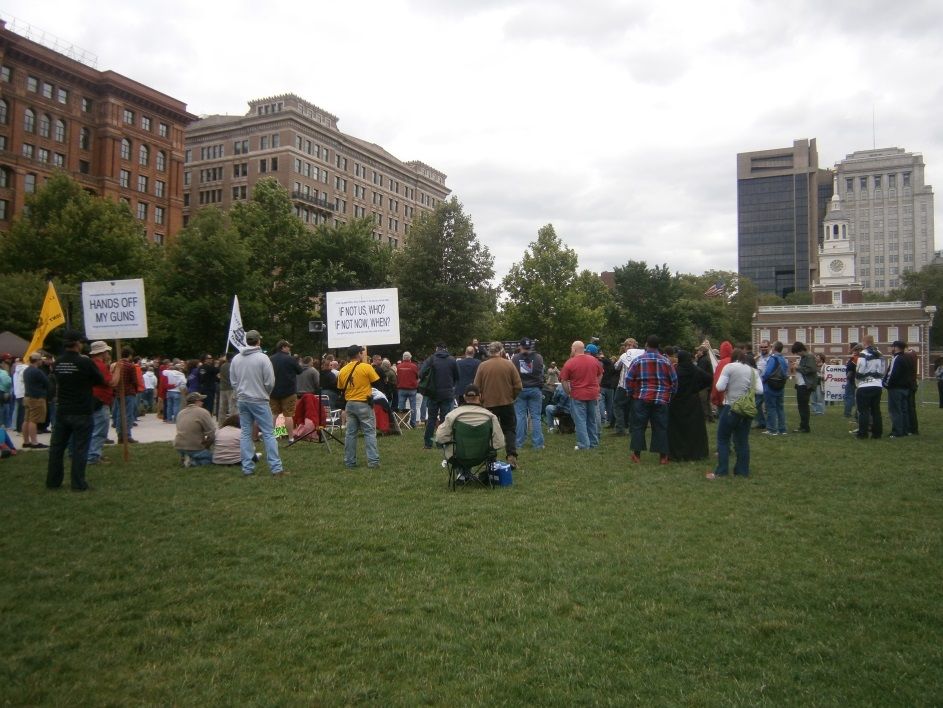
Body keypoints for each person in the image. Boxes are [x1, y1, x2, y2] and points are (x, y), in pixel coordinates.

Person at [46, 331, 105, 491]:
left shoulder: (57, 362)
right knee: (80, 448)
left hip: (63, 409)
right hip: (82, 410)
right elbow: (100, 380)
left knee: (57, 447)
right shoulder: (84, 362)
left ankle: (53, 481)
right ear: (78, 343)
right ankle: (78, 484)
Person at [229, 329, 285, 476]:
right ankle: (276, 468)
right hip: (259, 400)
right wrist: (265, 393)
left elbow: (233, 381)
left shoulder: (236, 359)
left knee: (246, 434)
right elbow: (270, 382)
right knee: (268, 433)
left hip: (243, 400)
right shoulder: (262, 358)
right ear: (258, 341)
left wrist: (241, 392)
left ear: (246, 340)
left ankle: (247, 468)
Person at [706, 349, 764, 479]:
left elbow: (720, 387)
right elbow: (760, 390)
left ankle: (722, 471)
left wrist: (730, 386)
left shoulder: (729, 367)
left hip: (731, 407)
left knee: (723, 439)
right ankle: (742, 471)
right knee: (742, 441)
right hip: (746, 410)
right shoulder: (753, 371)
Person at [434, 384, 506, 481]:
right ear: (480, 396)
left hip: (458, 455)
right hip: (483, 455)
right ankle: (468, 475)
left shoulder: (453, 415)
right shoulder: (490, 416)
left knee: (450, 444)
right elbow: (500, 442)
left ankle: (462, 474)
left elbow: (439, 437)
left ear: (464, 397)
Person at [625, 335, 678, 464]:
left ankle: (636, 455)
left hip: (641, 398)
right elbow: (674, 381)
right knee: (660, 427)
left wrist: (630, 393)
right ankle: (663, 457)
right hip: (661, 399)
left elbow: (629, 379)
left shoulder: (638, 361)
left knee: (638, 426)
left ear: (646, 345)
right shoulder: (666, 362)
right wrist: (670, 394)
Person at [474, 341, 522, 467]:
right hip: (507, 402)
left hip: (489, 405)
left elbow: (476, 387)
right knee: (510, 430)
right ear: (501, 351)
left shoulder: (482, 366)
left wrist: (481, 400)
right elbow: (518, 386)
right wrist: (512, 397)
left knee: (489, 431)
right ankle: (511, 455)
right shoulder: (509, 365)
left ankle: (491, 458)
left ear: (489, 351)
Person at [336, 345, 380, 469]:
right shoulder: (366, 367)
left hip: (349, 404)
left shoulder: (343, 370)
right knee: (369, 432)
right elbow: (376, 382)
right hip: (364, 403)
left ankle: (349, 462)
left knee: (350, 434)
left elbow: (339, 388)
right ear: (359, 354)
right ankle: (373, 461)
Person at [667, 350, 712, 462]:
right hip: (693, 402)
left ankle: (677, 452)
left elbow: (669, 384)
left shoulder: (676, 371)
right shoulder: (695, 370)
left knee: (677, 429)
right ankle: (695, 452)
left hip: (677, 402)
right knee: (694, 429)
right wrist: (697, 388)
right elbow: (709, 378)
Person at [559, 340, 602, 451]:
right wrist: (596, 386)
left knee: (580, 420)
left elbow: (563, 380)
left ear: (574, 349)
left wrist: (568, 392)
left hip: (578, 395)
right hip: (592, 394)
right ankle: (593, 443)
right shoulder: (594, 360)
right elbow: (600, 373)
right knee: (591, 419)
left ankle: (583, 444)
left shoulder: (570, 362)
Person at [419, 343, 459, 450]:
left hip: (433, 393)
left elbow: (421, 373)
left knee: (431, 418)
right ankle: (441, 443)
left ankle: (428, 444)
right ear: (446, 349)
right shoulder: (452, 360)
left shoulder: (431, 359)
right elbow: (457, 376)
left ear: (436, 349)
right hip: (447, 394)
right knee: (444, 419)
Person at [87, 340, 119, 466]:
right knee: (99, 430)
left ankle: (93, 454)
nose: (108, 353)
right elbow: (112, 382)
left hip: (94, 400)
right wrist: (117, 370)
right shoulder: (99, 365)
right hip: (101, 400)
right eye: (106, 351)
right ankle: (93, 457)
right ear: (102, 352)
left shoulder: (92, 364)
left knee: (94, 429)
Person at [511, 337, 545, 451]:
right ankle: (538, 444)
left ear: (520, 346)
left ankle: (519, 443)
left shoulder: (515, 358)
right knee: (536, 417)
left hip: (520, 389)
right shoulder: (539, 358)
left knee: (520, 417)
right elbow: (541, 372)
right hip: (535, 389)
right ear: (530, 346)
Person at [269, 340, 302, 442]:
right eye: (288, 347)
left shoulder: (270, 359)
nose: (289, 349)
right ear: (283, 347)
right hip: (288, 392)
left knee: (274, 414)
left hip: (273, 391)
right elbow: (299, 371)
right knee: (288, 415)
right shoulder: (290, 359)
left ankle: (270, 436)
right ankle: (291, 437)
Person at [174, 392, 217, 467]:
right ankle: (192, 462)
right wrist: (207, 445)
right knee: (214, 458)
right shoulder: (203, 412)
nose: (202, 403)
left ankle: (187, 456)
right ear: (197, 401)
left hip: (179, 446)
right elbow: (212, 433)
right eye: (201, 400)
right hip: (194, 447)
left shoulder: (180, 413)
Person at [854, 337, 885, 440]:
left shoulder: (863, 353)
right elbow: (883, 368)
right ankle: (877, 433)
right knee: (876, 410)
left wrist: (857, 377)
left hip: (865, 384)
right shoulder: (879, 353)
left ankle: (863, 433)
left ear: (865, 342)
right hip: (877, 384)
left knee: (863, 411)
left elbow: (861, 368)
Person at [613, 338, 645, 435]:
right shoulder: (642, 356)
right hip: (636, 386)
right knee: (633, 408)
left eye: (629, 345)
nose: (627, 347)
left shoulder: (624, 356)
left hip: (623, 386)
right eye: (626, 345)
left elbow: (616, 367)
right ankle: (633, 429)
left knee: (618, 406)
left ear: (634, 346)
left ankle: (620, 429)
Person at [883, 340, 914, 438]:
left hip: (895, 388)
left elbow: (891, 374)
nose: (891, 349)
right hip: (906, 388)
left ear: (896, 347)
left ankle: (897, 431)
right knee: (904, 410)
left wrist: (885, 383)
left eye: (893, 347)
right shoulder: (908, 358)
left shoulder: (896, 358)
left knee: (895, 410)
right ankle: (906, 430)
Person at [21, 352, 49, 449]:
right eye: (41, 359)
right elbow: (47, 383)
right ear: (37, 361)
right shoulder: (37, 371)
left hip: (27, 397)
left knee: (26, 420)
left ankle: (26, 441)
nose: (42, 361)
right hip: (37, 398)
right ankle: (34, 442)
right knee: (34, 420)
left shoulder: (26, 370)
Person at [112, 347, 139, 443]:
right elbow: (134, 381)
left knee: (120, 414)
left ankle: (120, 435)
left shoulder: (117, 365)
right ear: (130, 355)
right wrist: (136, 390)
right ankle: (127, 435)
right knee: (128, 415)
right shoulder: (130, 366)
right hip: (128, 392)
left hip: (119, 393)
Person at [761, 341, 789, 436]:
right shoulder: (784, 359)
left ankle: (772, 429)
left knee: (771, 408)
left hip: (770, 386)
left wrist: (763, 380)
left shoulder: (773, 358)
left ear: (774, 348)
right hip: (780, 385)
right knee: (780, 408)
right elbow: (785, 373)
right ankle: (782, 429)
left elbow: (768, 372)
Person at [790, 341, 818, 434]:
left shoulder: (809, 357)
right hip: (801, 384)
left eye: (797, 352)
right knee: (802, 406)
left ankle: (804, 427)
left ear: (801, 350)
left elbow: (811, 369)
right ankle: (803, 426)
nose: (797, 354)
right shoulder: (804, 357)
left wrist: (798, 367)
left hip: (805, 385)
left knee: (803, 407)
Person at [395, 352, 419, 426]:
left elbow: (397, 377)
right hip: (412, 389)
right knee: (413, 407)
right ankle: (413, 423)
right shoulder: (414, 366)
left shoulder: (398, 366)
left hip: (401, 389)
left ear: (403, 358)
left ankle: (401, 423)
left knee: (401, 407)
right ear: (410, 358)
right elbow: (418, 376)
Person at [753, 340, 771, 429]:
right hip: (759, 385)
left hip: (768, 384)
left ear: (769, 347)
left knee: (768, 406)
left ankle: (770, 424)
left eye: (765, 347)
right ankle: (762, 422)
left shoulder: (771, 358)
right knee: (756, 405)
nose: (763, 349)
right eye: (762, 347)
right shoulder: (758, 358)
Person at [217, 352, 236, 423]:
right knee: (232, 407)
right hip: (231, 388)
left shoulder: (222, 366)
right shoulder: (232, 366)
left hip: (222, 388)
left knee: (222, 407)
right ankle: (233, 423)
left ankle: (220, 423)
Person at [844, 344, 861, 418]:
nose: (853, 352)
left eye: (854, 350)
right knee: (855, 397)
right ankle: (856, 413)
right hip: (857, 380)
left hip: (852, 380)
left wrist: (848, 376)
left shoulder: (855, 358)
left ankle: (847, 413)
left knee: (849, 397)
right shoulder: (858, 358)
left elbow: (850, 369)